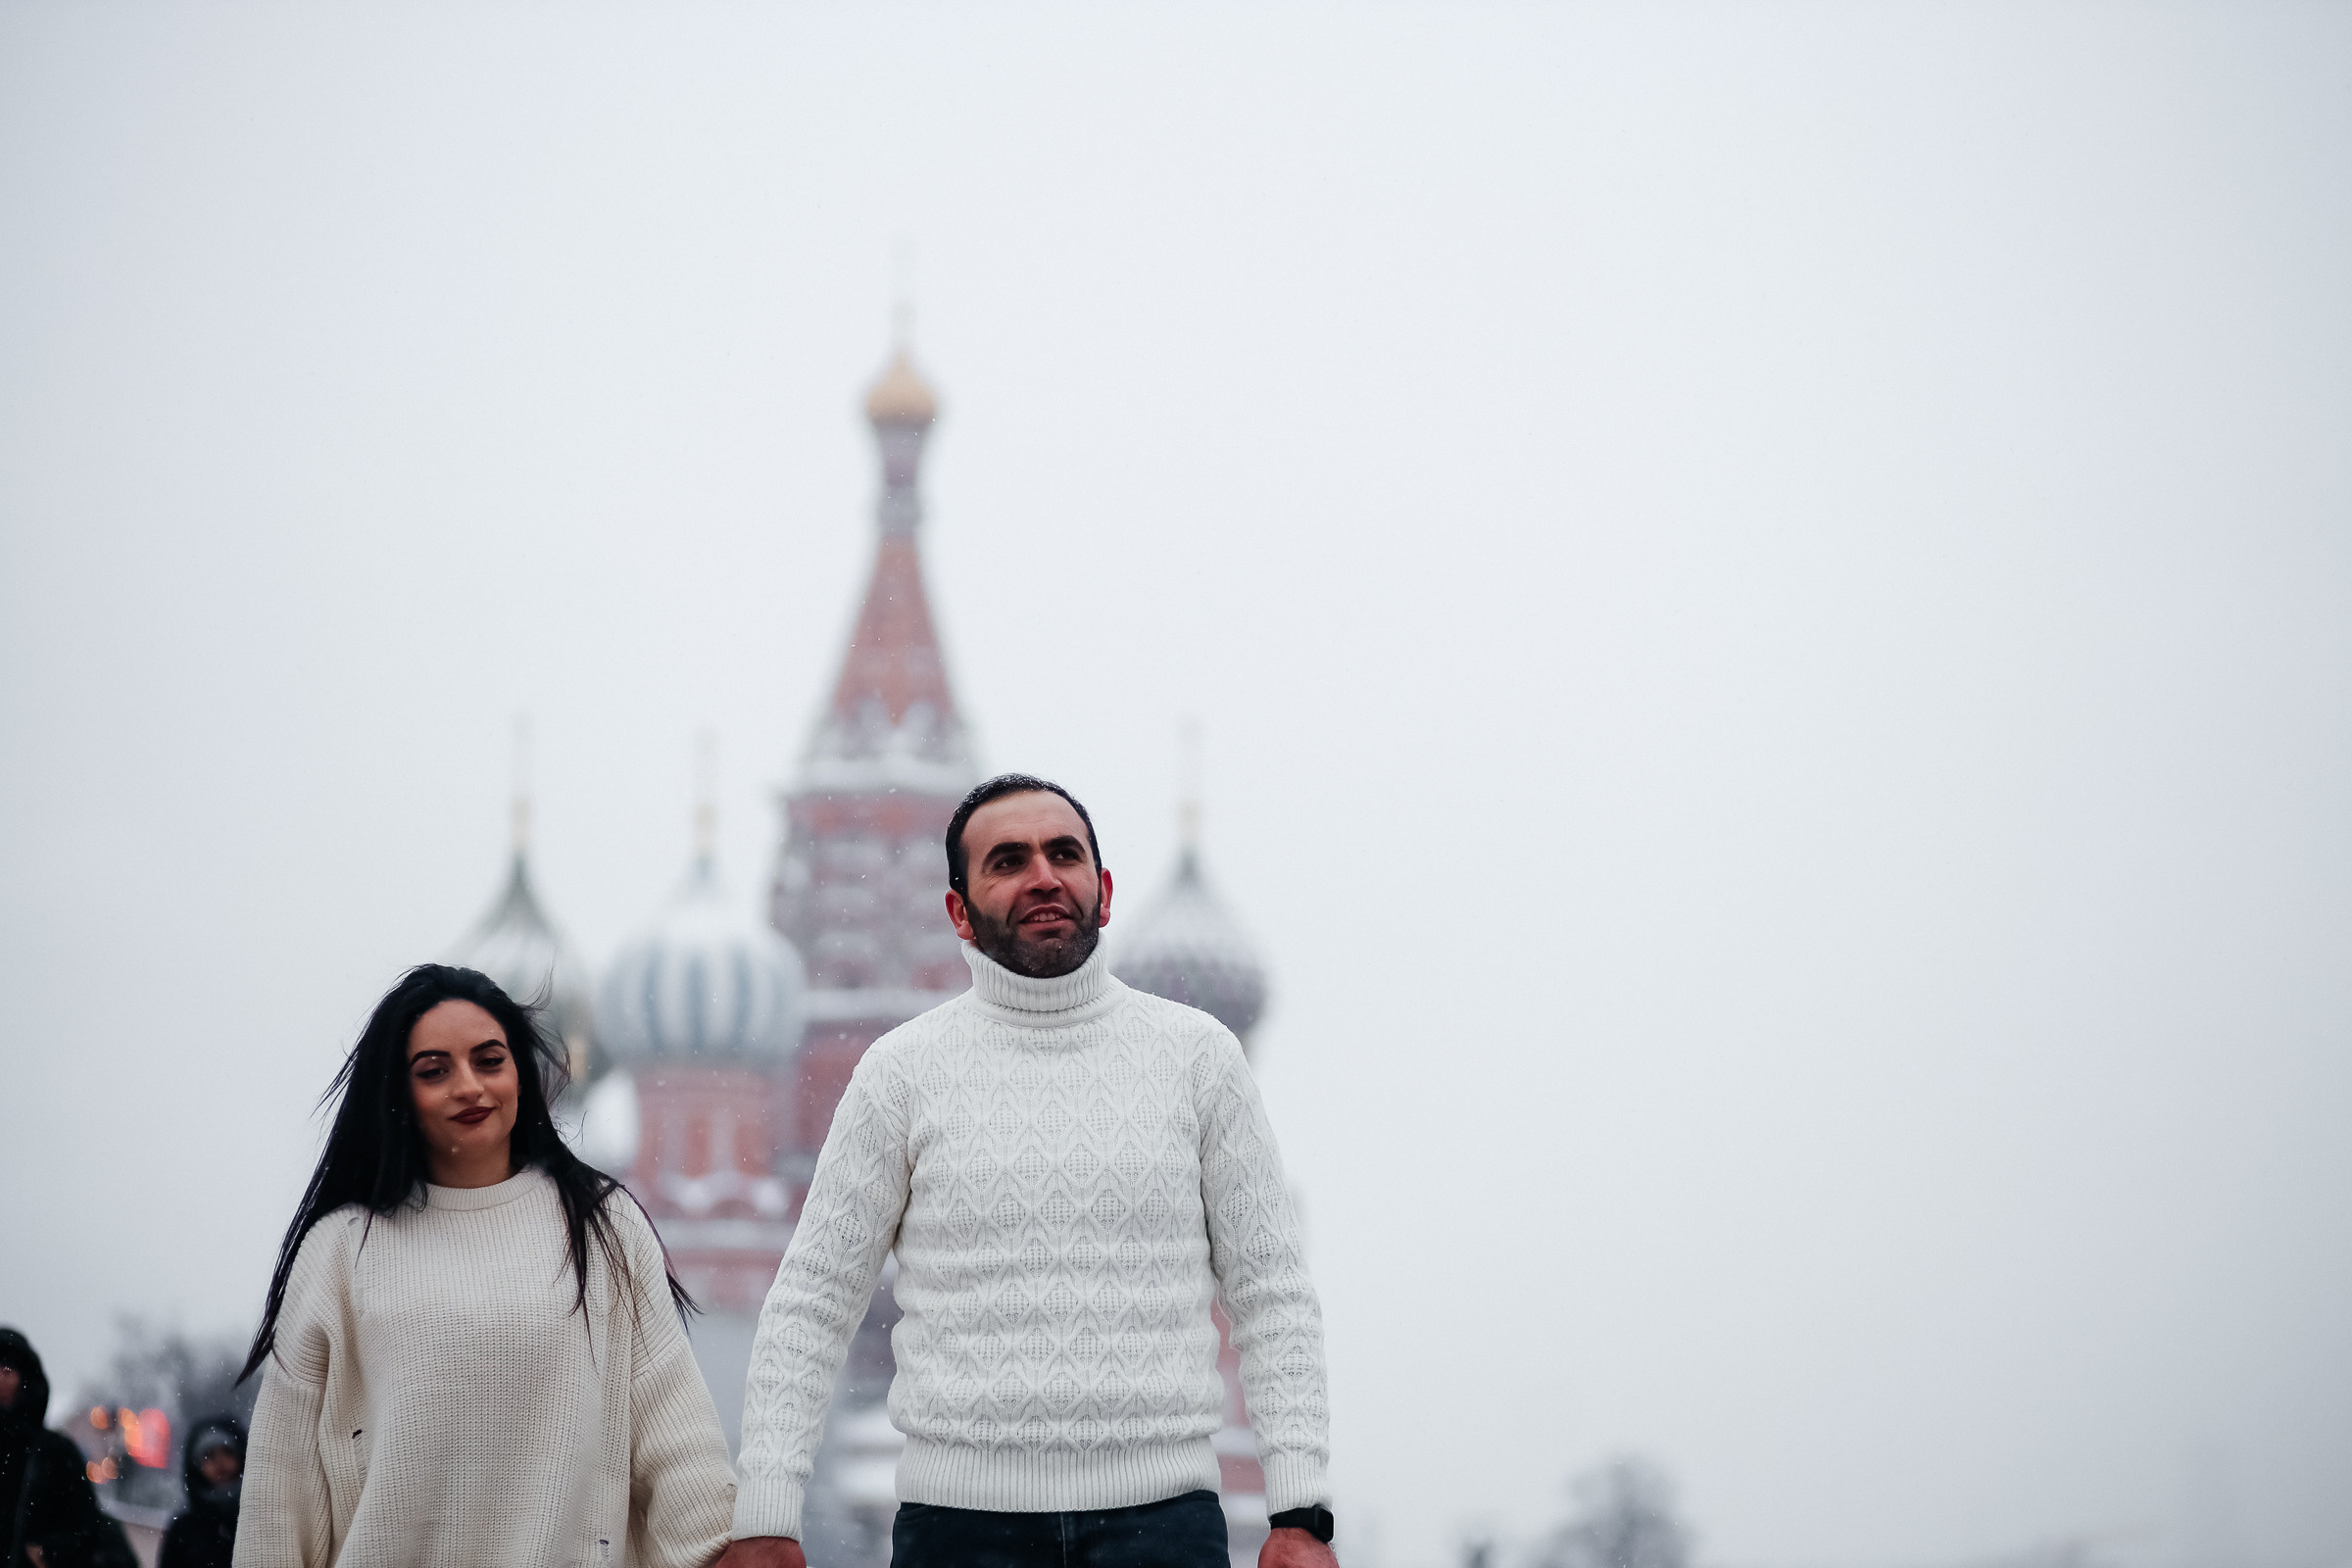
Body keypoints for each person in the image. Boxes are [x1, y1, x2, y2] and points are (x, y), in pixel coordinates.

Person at [722, 775, 1336, 1568]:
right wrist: (768, 1510)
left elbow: (1272, 1292)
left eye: (1064, 854)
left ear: (1103, 890)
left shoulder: (1199, 1059)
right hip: (960, 1530)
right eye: (1007, 861)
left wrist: (1299, 1512)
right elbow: (812, 1300)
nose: (1043, 875)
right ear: (958, 912)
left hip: (1162, 1528)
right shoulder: (901, 1072)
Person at [234, 963, 736, 1568]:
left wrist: (718, 1552)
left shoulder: (602, 1227)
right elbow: (281, 1488)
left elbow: (675, 1437)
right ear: (399, 1094)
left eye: (489, 1061)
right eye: (435, 1071)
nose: (469, 1086)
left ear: (521, 1076)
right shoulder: (342, 1250)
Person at [0, 1328, 106, 1568]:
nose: (1, 1379)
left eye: (8, 1371)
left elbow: (86, 1527)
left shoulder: (55, 1453)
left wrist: (51, 1551)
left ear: (24, 1379)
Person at [157, 1415, 242, 1568]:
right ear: (196, 1465)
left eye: (227, 1452)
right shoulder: (184, 1529)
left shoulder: (259, 1518)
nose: (220, 1462)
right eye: (209, 1455)